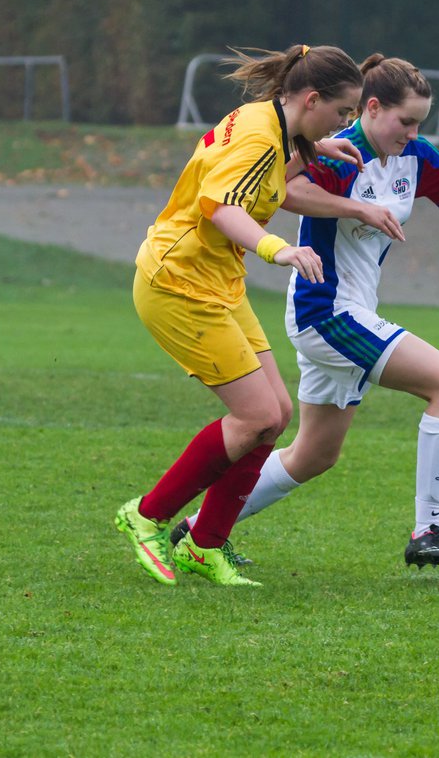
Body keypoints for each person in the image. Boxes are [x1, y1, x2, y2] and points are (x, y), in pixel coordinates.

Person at [173, 54, 439, 571]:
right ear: (371, 109)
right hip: (327, 312)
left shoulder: (414, 157)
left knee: (313, 456)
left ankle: (195, 533)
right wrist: (357, 207)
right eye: (407, 121)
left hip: (350, 314)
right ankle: (430, 530)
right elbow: (285, 190)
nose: (414, 132)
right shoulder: (338, 151)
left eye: (421, 121)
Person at [115, 45, 405, 587]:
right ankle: (146, 516)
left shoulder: (269, 124)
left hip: (216, 283)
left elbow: (265, 182)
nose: (346, 122)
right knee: (254, 417)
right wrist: (281, 250)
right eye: (342, 112)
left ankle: (204, 546)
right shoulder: (257, 137)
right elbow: (222, 208)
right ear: (311, 98)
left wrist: (316, 150)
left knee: (274, 415)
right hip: (178, 284)